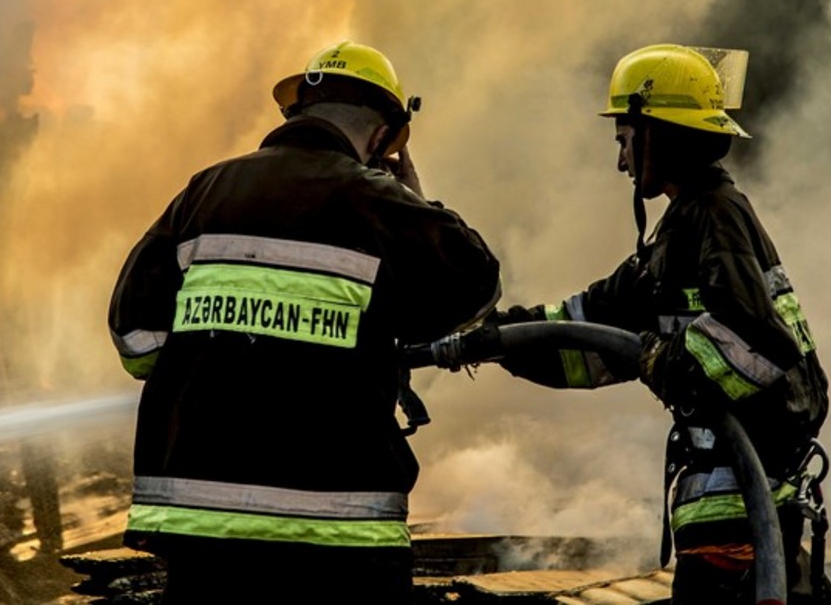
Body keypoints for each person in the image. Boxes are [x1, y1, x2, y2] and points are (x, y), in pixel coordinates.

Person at [107, 40, 501, 604]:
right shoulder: (376, 201)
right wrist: (418, 199)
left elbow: (135, 340)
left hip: (201, 525)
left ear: (295, 113)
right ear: (382, 137)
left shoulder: (205, 191)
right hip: (338, 530)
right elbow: (477, 284)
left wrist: (215, 362)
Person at [488, 44, 828, 603]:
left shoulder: (715, 215)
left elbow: (759, 342)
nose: (621, 162)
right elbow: (584, 333)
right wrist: (491, 337)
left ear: (658, 134)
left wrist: (662, 358)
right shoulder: (679, 233)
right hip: (726, 522)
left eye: (623, 140)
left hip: (742, 527)